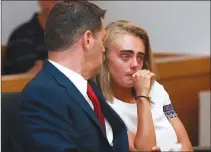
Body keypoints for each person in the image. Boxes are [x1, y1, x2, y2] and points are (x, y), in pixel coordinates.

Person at [18, 1, 129, 152]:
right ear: (88, 40)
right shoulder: (41, 96)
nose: (104, 49)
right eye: (103, 41)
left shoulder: (90, 87)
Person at [97, 20, 193, 151]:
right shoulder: (100, 104)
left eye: (140, 57)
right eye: (126, 56)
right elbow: (146, 149)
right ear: (104, 57)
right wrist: (142, 95)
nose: (135, 64)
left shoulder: (155, 89)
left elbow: (185, 144)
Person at [3, 1, 57, 75]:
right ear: (42, 2)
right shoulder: (22, 37)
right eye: (56, 1)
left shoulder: (73, 36)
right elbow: (24, 79)